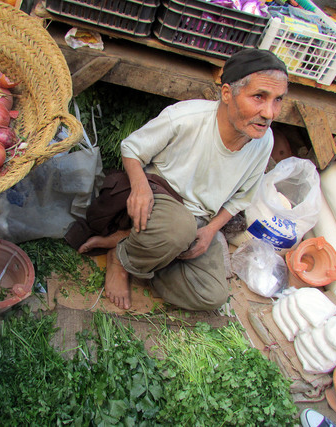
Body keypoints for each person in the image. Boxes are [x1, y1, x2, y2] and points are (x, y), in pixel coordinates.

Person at [74, 48, 288, 311]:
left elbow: (241, 198)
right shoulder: (188, 117)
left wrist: (211, 231)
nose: (269, 113)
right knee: (178, 229)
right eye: (259, 97)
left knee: (212, 296)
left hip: (196, 223)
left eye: (278, 100)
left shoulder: (263, 141)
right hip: (161, 198)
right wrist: (140, 187)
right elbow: (131, 148)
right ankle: (121, 258)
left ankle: (138, 246)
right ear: (227, 93)